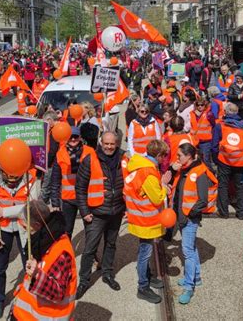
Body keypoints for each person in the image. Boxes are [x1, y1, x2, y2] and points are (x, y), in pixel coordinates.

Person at [0, 162, 39, 319]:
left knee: (29, 266)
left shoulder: (31, 180)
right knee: (0, 268)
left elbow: (33, 207)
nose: (12, 180)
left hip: (24, 230)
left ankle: (32, 299)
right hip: (4, 231)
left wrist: (6, 211)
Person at [75, 131, 126, 299]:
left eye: (112, 144)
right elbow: (80, 189)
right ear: (101, 143)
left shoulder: (124, 158)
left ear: (116, 144)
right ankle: (83, 281)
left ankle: (107, 273)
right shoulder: (90, 160)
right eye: (106, 144)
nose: (109, 147)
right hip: (96, 213)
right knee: (90, 249)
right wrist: (85, 212)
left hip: (116, 210)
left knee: (111, 244)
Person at [12, 200, 77, 321]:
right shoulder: (42, 241)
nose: (24, 227)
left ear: (37, 225)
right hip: (25, 314)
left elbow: (58, 292)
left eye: (25, 224)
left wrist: (37, 274)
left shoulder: (61, 252)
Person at [124, 140, 171, 304]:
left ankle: (148, 277)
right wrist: (164, 185)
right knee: (145, 253)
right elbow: (157, 198)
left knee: (144, 251)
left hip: (139, 217)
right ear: (158, 155)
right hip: (146, 220)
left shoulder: (138, 166)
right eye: (163, 156)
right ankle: (142, 286)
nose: (164, 159)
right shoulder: (148, 172)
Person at [171, 143, 217, 304]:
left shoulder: (199, 173)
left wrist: (188, 213)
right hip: (183, 217)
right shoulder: (185, 169)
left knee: (187, 251)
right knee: (191, 248)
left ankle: (189, 287)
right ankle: (196, 277)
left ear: (189, 156)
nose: (177, 158)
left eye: (179, 155)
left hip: (189, 219)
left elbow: (202, 200)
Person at [51, 127, 99, 237]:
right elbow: (55, 180)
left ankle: (90, 254)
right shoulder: (60, 153)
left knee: (90, 229)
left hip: (86, 197)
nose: (73, 139)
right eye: (70, 137)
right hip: (68, 199)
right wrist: (55, 202)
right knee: (67, 230)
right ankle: (67, 253)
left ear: (80, 137)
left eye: (75, 137)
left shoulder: (90, 151)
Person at [212, 102, 243, 219]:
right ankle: (241, 213)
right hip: (240, 161)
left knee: (223, 185)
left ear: (225, 112)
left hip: (224, 160)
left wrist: (216, 160)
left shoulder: (221, 126)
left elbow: (214, 146)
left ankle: (223, 212)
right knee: (240, 186)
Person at [190, 96, 215, 170]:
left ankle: (211, 175)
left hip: (205, 142)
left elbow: (213, 125)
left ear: (205, 105)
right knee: (195, 160)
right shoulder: (192, 114)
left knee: (205, 160)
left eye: (202, 105)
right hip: (194, 141)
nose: (200, 106)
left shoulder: (209, 114)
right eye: (198, 105)